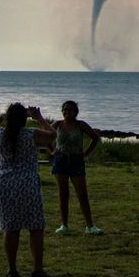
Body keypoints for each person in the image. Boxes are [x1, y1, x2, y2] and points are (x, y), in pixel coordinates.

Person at [0, 103, 58, 277]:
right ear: (24, 120)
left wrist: (0, 118)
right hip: (27, 182)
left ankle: (12, 269)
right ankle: (37, 269)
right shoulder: (31, 134)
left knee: (11, 227)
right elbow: (52, 135)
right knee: (35, 227)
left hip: (4, 182)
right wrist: (38, 118)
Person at [50, 101, 104, 236]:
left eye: (70, 110)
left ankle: (90, 225)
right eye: (65, 110)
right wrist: (51, 150)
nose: (67, 113)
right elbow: (44, 136)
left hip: (76, 161)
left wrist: (85, 153)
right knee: (63, 194)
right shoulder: (57, 124)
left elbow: (95, 138)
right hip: (60, 160)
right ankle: (64, 225)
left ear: (75, 112)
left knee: (82, 194)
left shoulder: (80, 125)